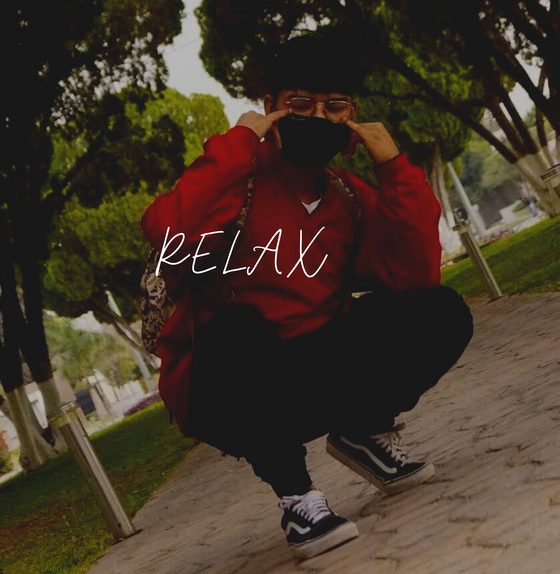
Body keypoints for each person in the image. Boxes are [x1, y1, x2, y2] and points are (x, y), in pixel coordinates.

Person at [140, 34, 474, 559]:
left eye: (333, 106)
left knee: (441, 311)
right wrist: (238, 143)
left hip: (314, 370)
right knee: (237, 328)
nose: (317, 117)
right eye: (300, 103)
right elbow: (170, 234)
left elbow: (413, 277)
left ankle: (362, 433)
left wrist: (392, 166)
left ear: (351, 115)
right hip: (230, 387)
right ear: (271, 107)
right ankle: (298, 499)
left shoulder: (345, 194)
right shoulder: (237, 184)